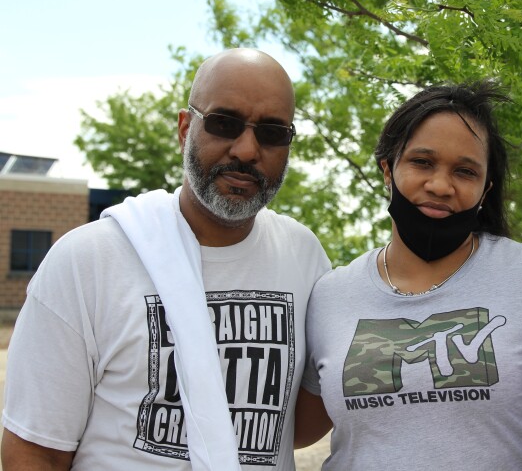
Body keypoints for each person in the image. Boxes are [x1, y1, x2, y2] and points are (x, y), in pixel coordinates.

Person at [1, 48, 330, 470]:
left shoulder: (304, 258)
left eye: (272, 132)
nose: (247, 150)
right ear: (184, 128)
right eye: (224, 123)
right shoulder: (88, 261)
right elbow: (35, 451)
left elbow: (295, 426)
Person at [294, 81, 522, 469]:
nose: (440, 185)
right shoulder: (330, 295)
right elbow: (293, 430)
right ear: (388, 170)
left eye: (465, 171)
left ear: (485, 188)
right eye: (422, 162)